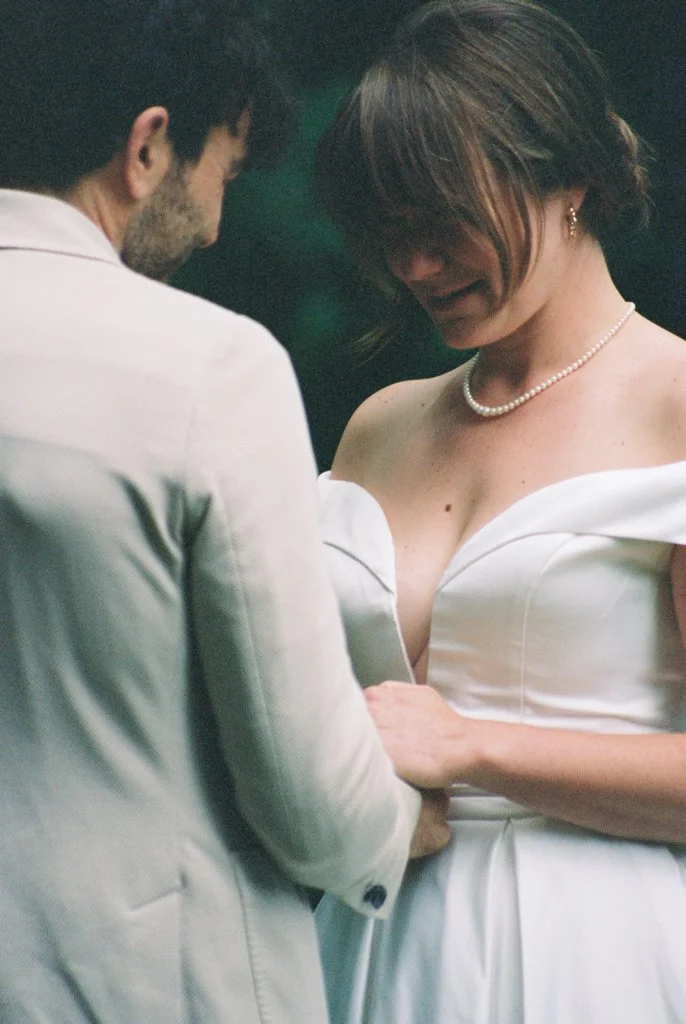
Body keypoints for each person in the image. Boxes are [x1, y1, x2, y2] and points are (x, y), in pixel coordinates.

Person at [0, 2, 451, 1021]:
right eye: (223, 175)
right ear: (148, 146)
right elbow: (302, 784)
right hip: (141, 980)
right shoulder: (209, 366)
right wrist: (402, 822)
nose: (212, 225)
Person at [312, 1, 686, 1021]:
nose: (414, 268)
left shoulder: (674, 407)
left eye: (443, 225)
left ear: (569, 179)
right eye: (392, 236)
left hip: (586, 951)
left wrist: (473, 748)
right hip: (366, 941)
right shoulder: (377, 426)